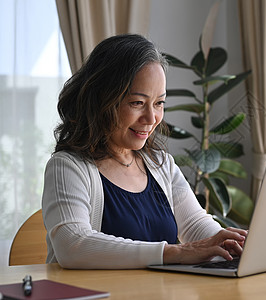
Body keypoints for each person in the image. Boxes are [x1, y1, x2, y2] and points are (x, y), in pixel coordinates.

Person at [41, 34, 247, 269]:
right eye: (137, 103)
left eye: (159, 103)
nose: (152, 119)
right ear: (102, 101)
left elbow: (196, 226)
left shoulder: (161, 164)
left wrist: (235, 243)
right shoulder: (67, 166)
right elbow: (72, 246)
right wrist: (174, 252)